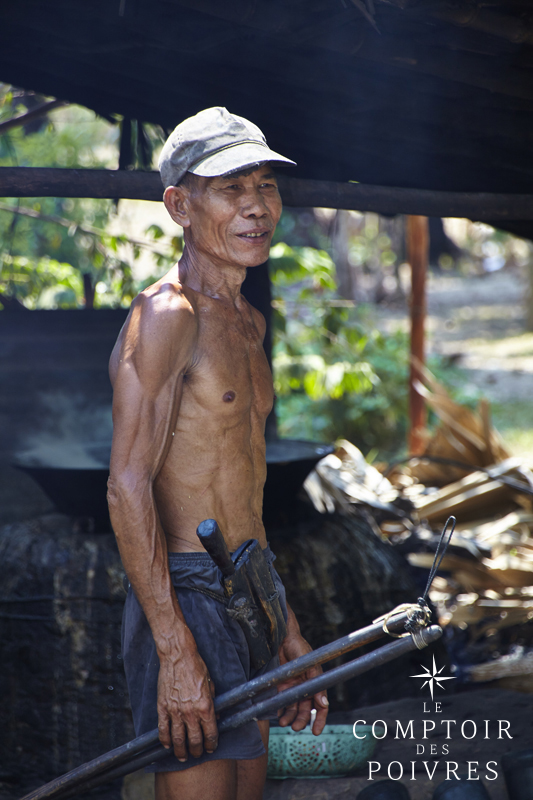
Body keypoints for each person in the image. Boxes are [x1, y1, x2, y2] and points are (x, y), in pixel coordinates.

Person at [107, 107, 329, 800]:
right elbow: (127, 484)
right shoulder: (168, 317)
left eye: (265, 187)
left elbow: (242, 490)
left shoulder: (245, 322)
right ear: (180, 204)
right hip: (188, 594)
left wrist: (282, 620)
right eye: (232, 188)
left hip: (248, 589)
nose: (257, 207)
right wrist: (175, 650)